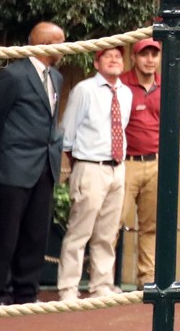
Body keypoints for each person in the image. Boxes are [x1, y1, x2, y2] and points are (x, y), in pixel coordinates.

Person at [0, 22, 66, 305]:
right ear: (46, 44)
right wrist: (1, 155)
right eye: (61, 42)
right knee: (7, 232)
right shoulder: (13, 76)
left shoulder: (57, 78)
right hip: (15, 165)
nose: (65, 47)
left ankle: (27, 291)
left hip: (45, 166)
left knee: (37, 232)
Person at [57, 46, 132, 301]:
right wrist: (79, 164)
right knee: (80, 230)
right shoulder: (84, 90)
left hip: (117, 168)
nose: (114, 59)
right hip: (89, 166)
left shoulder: (126, 93)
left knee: (108, 232)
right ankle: (68, 287)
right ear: (97, 63)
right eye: (107, 56)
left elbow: (122, 127)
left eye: (118, 56)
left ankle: (101, 284)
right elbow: (67, 133)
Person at [119, 37, 173, 286]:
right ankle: (103, 281)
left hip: (156, 164)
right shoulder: (121, 84)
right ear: (134, 58)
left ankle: (146, 278)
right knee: (114, 222)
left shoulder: (167, 86)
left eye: (154, 54)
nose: (150, 60)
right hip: (126, 163)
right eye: (144, 54)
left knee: (151, 226)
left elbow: (173, 124)